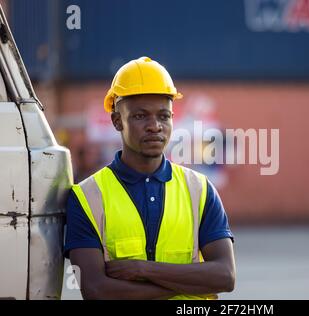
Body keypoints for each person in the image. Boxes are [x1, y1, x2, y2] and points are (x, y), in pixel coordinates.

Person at [64, 57, 235, 300]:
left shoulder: (201, 190)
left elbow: (225, 276)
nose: (155, 126)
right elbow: (95, 290)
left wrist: (141, 269)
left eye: (164, 116)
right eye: (140, 116)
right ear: (116, 121)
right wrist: (188, 284)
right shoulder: (86, 197)